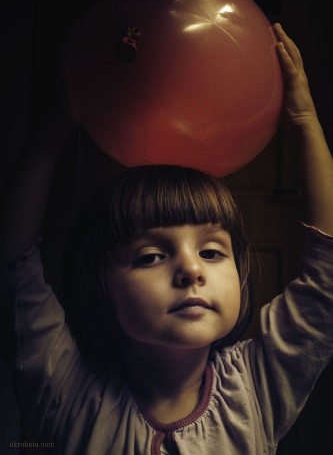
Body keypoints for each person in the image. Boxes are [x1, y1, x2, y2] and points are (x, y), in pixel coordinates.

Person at [0, 23, 332, 455]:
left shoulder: (259, 384)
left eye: (212, 252)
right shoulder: (64, 390)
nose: (192, 270)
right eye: (152, 256)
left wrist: (305, 122)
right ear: (102, 283)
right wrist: (54, 129)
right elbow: (12, 266)